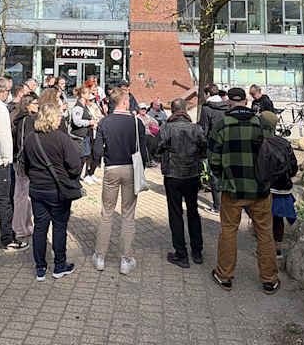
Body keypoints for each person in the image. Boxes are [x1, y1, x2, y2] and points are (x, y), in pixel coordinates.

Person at [208, 87, 280, 294]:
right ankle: (269, 280)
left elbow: (213, 159)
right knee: (265, 232)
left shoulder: (222, 125)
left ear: (229, 102)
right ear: (247, 101)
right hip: (260, 188)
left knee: (229, 231)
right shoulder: (262, 124)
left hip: (233, 189)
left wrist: (222, 177)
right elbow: (271, 153)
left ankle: (224, 276)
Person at [21, 89, 83, 280]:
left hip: (37, 189)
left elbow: (24, 164)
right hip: (57, 190)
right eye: (57, 117)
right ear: (52, 118)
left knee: (40, 227)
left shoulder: (30, 138)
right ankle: (59, 265)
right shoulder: (62, 138)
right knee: (59, 227)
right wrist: (69, 175)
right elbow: (75, 166)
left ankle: (40, 268)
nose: (59, 121)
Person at [93, 87, 147, 275]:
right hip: (131, 168)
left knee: (107, 212)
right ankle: (125, 259)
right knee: (128, 214)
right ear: (124, 102)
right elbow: (144, 151)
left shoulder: (104, 122)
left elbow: (97, 151)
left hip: (112, 168)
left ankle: (100, 257)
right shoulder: (136, 122)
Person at [158, 98, 206, 268]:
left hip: (173, 175)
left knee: (175, 213)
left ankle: (181, 254)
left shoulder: (166, 128)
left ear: (172, 111)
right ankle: (197, 251)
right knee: (193, 212)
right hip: (191, 174)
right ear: (185, 110)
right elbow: (204, 148)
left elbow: (158, 147)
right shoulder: (196, 128)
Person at [0, 76, 28, 251]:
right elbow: (3, 135)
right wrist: (7, 158)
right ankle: (6, 238)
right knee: (4, 200)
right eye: (8, 91)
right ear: (2, 91)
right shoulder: (0, 108)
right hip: (0, 160)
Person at [260, 110, 297, 256]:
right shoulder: (284, 142)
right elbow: (294, 167)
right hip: (283, 187)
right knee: (278, 219)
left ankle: (264, 249)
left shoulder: (258, 142)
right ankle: (278, 248)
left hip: (265, 188)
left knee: (263, 219)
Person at [10, 93, 38, 242]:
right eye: (35, 103)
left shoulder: (21, 118)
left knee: (24, 195)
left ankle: (26, 225)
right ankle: (20, 228)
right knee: (21, 195)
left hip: (21, 161)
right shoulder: (25, 120)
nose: (38, 106)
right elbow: (23, 144)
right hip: (22, 162)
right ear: (28, 105)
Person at [198, 84, 228, 214]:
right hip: (226, 145)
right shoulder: (227, 107)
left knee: (214, 175)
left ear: (208, 94)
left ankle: (217, 207)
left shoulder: (206, 108)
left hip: (213, 146)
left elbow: (203, 130)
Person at [73, 86, 104, 184]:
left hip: (86, 135)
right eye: (87, 94)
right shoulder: (78, 106)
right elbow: (76, 121)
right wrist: (90, 122)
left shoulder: (84, 106)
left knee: (86, 156)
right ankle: (77, 179)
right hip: (79, 136)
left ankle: (85, 175)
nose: (89, 96)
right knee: (82, 157)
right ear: (82, 95)